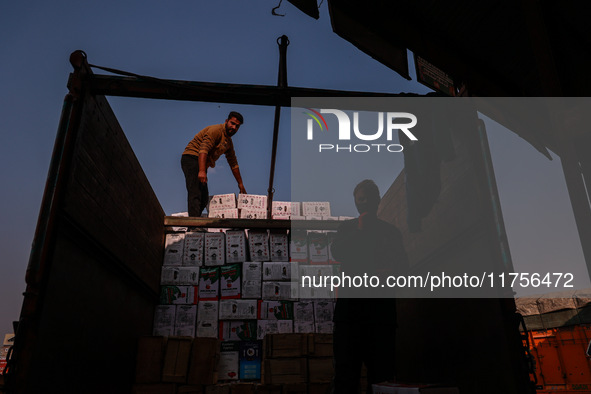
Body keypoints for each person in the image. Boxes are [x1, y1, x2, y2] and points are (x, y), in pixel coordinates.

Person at [330, 179, 408, 393]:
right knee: (345, 378)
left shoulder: (390, 233)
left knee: (382, 378)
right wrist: (361, 230)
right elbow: (337, 252)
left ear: (377, 200)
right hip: (350, 317)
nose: (363, 203)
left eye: (367, 199)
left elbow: (404, 269)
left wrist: (389, 273)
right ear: (355, 202)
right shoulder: (347, 228)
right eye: (360, 199)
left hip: (380, 318)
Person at [181, 111, 247, 217]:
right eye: (232, 123)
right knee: (195, 192)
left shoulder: (228, 142)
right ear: (226, 121)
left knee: (204, 198)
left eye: (237, 126)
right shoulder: (216, 130)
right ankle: (193, 226)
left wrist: (240, 184)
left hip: (201, 163)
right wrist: (202, 171)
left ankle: (197, 222)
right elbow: (203, 149)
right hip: (192, 158)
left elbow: (233, 163)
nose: (234, 127)